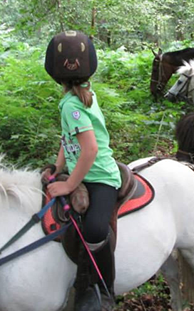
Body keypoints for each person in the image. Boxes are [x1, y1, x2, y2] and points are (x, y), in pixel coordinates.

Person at [42, 30, 121, 311]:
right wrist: (58, 167)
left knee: (95, 229)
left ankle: (103, 288)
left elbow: (89, 150)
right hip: (82, 170)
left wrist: (67, 184)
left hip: (99, 176)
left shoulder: (73, 106)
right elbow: (69, 138)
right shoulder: (77, 99)